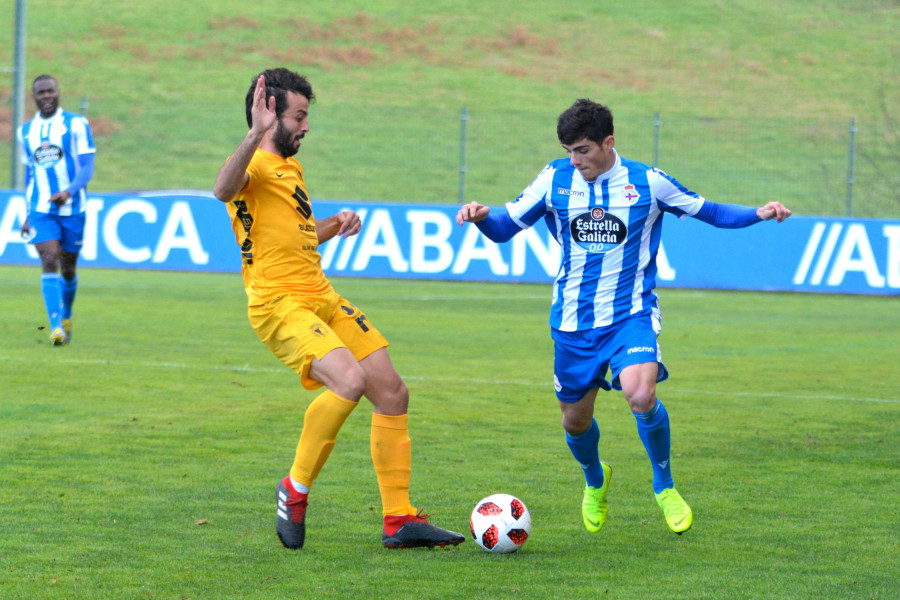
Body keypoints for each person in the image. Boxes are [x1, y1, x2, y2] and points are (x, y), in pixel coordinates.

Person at [456, 98, 792, 536]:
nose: (575, 161)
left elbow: (709, 211)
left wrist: (759, 214)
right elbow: (504, 229)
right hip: (573, 322)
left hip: (629, 314)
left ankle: (665, 486)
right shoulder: (554, 178)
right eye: (569, 151)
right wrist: (481, 218)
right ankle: (596, 480)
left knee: (639, 394)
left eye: (583, 150)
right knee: (574, 421)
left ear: (608, 142)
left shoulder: (648, 183)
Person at [212, 68, 465, 551]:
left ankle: (399, 519)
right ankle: (294, 489)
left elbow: (296, 236)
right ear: (269, 115)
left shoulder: (290, 169)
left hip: (321, 295)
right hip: (279, 304)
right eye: (298, 116)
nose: (306, 126)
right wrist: (253, 133)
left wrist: (334, 223)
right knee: (348, 381)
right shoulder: (256, 166)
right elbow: (223, 189)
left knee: (392, 392)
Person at [17, 74, 96, 346]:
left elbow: (87, 167)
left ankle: (67, 314)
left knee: (68, 268)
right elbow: (31, 173)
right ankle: (55, 328)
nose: (47, 96)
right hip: (41, 208)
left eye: (50, 91)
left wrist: (68, 192)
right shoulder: (25, 132)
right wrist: (28, 212)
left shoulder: (76, 124)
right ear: (34, 96)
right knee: (49, 257)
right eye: (41, 92)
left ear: (58, 92)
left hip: (73, 207)